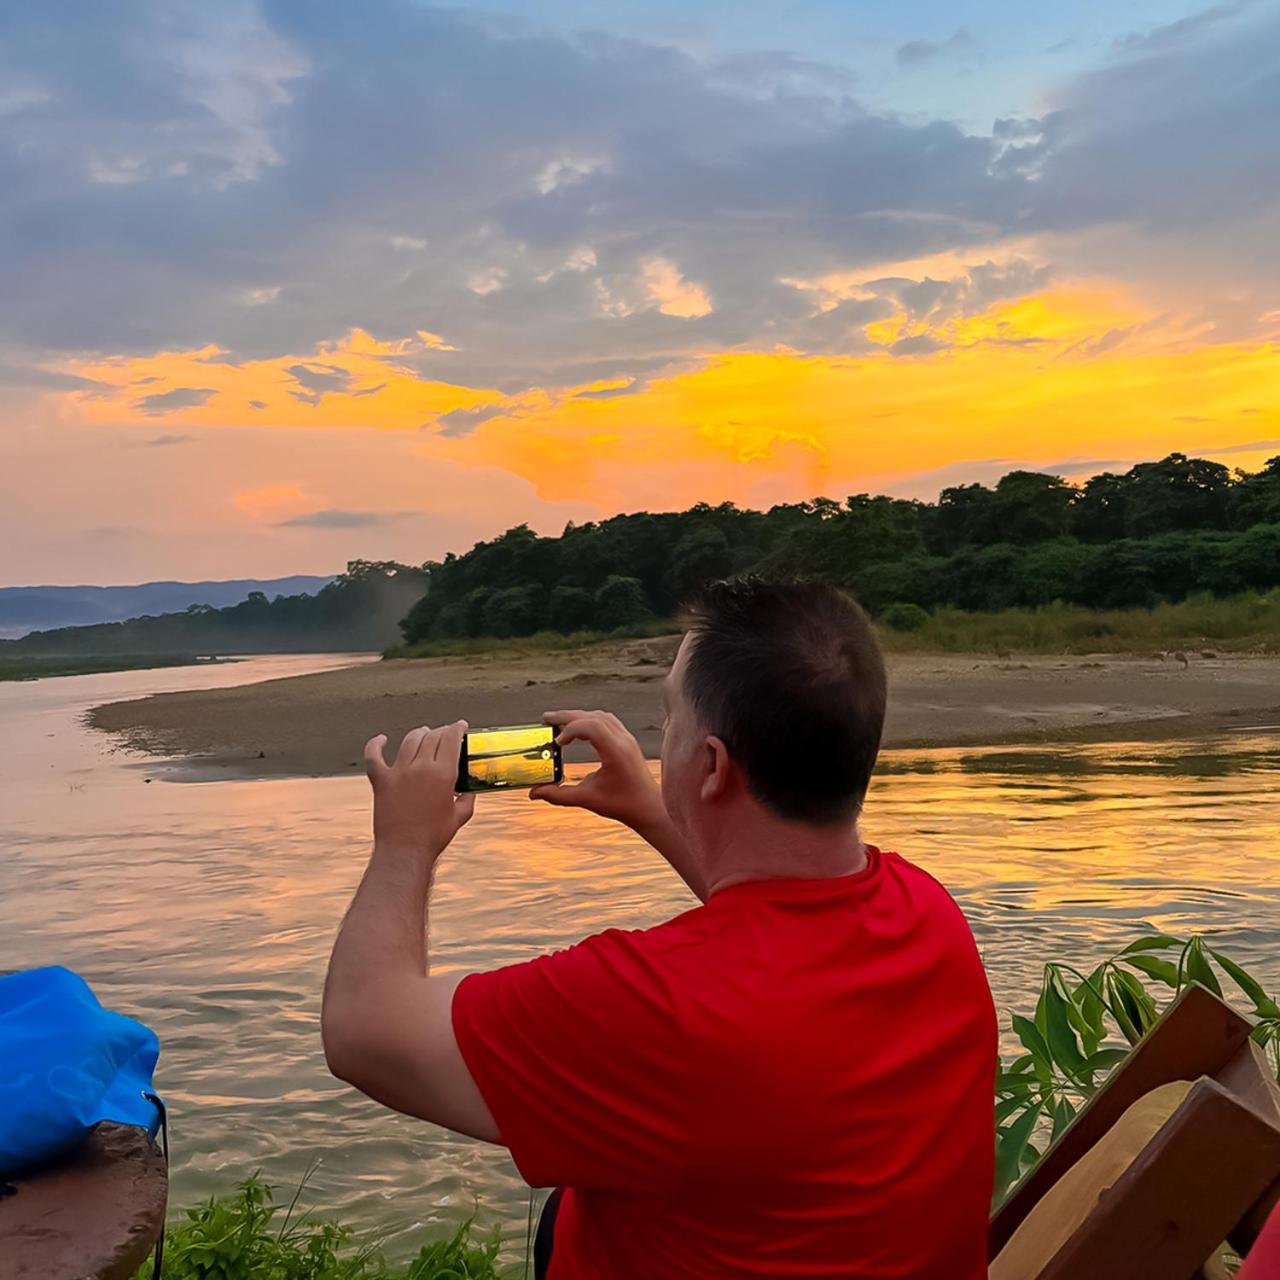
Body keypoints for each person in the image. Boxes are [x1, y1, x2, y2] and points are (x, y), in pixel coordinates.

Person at [322, 578, 997, 1279]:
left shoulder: (652, 1008)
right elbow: (776, 936)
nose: (659, 736)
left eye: (669, 718)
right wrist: (652, 808)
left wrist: (405, 843)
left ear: (711, 766)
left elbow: (364, 1031)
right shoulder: (928, 912)